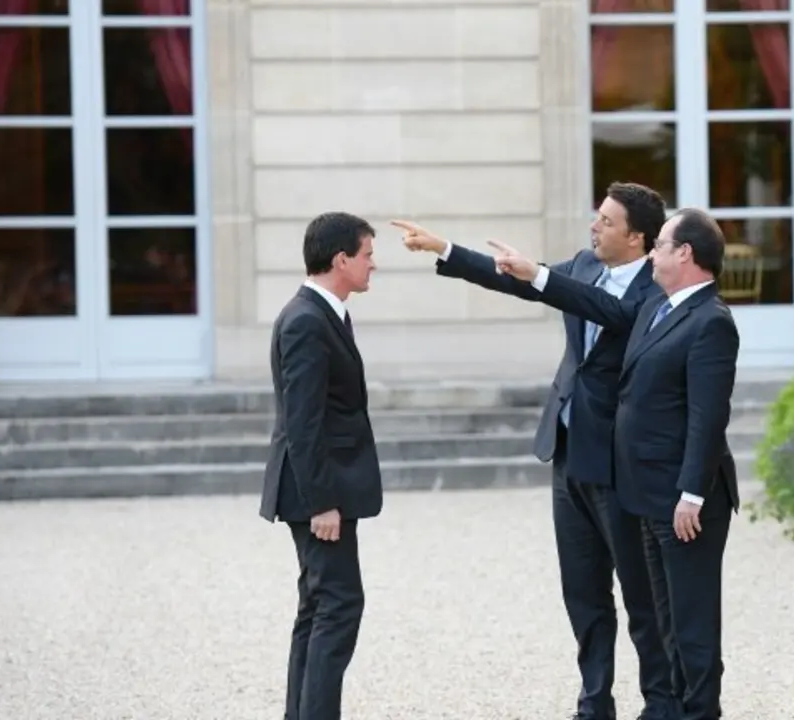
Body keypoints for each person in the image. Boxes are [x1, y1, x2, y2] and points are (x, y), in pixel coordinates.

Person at [390, 181, 674, 720]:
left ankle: (661, 702)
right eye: (597, 217)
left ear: (638, 238)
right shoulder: (585, 266)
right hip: (568, 451)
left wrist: (542, 277)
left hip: (620, 462)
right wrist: (445, 248)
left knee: (640, 595)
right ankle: (594, 703)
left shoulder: (655, 288)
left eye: (607, 222)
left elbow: (608, 311)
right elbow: (528, 285)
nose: (595, 227)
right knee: (583, 593)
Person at [490, 208, 740, 720]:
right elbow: (593, 303)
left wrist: (692, 492)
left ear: (685, 253)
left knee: (691, 627)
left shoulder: (711, 321)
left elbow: (708, 417)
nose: (654, 254)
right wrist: (530, 272)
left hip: (684, 501)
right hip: (646, 493)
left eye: (662, 245)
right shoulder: (657, 309)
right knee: (665, 617)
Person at [259, 211, 382, 720]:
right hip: (317, 491)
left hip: (319, 486)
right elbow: (303, 422)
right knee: (338, 607)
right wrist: (323, 502)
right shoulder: (308, 320)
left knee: (318, 608)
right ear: (341, 259)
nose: (374, 266)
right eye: (369, 255)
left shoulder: (323, 312)